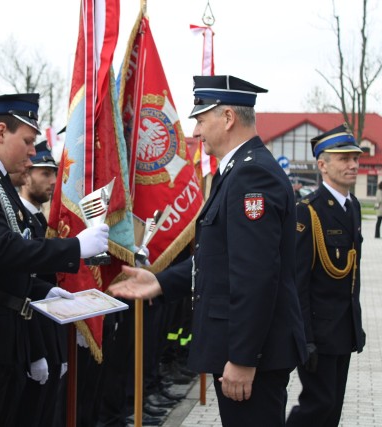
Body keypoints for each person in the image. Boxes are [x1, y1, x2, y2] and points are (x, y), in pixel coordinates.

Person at [109, 75, 307, 427]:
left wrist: (244, 358)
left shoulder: (252, 176)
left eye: (201, 120)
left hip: (249, 357)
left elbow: (255, 277)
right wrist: (161, 282)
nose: (196, 132)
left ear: (228, 118)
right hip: (245, 350)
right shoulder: (237, 171)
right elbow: (221, 260)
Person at [0, 93, 109, 426]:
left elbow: (4, 262)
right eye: (28, 141)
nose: (33, 151)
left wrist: (40, 291)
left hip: (6, 332)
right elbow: (0, 249)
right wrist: (74, 248)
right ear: (1, 132)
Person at [286, 124, 366, 427]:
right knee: (318, 405)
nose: (353, 165)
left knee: (332, 410)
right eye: (343, 159)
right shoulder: (309, 211)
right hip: (317, 332)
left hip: (343, 329)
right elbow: (298, 282)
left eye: (355, 159)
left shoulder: (352, 206)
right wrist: (304, 338)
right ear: (322, 165)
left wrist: (355, 327)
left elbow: (352, 276)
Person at [14, 141, 69, 427]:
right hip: (31, 336)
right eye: (45, 173)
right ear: (26, 175)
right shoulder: (20, 221)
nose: (52, 181)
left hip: (49, 336)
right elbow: (26, 287)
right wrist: (39, 352)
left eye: (54, 174)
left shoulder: (37, 220)